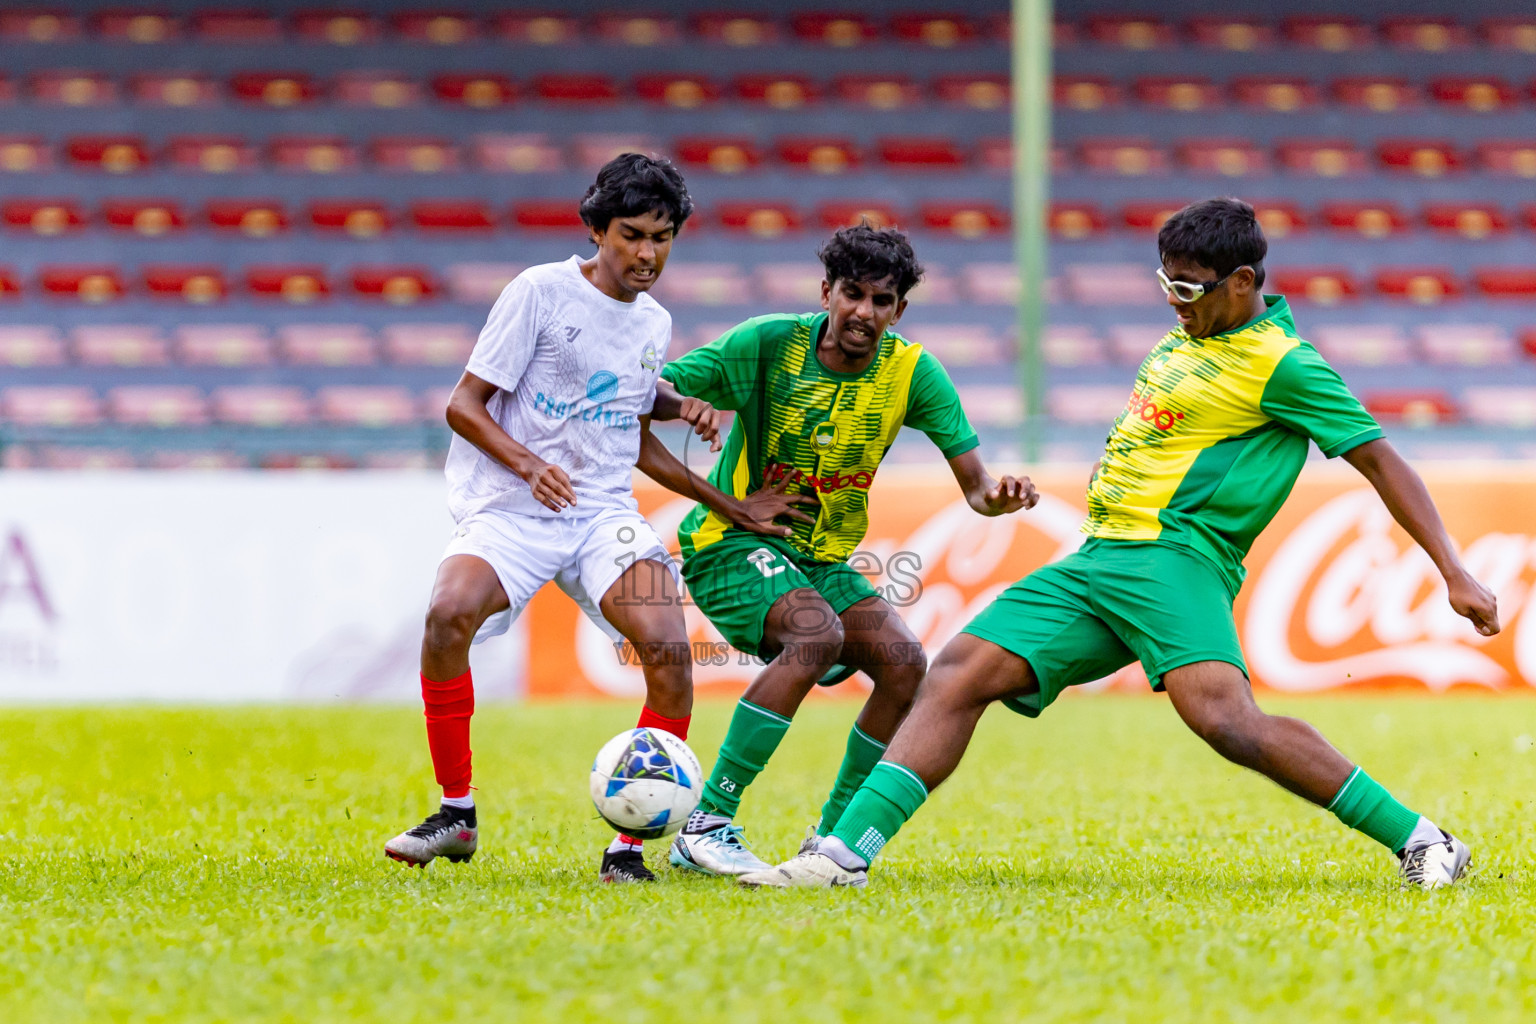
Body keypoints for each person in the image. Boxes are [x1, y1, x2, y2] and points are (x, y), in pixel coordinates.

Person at [740, 197, 1501, 891]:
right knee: (960, 672)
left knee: (1228, 723)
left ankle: (1424, 840)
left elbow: (1379, 456)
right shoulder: (1186, 339)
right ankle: (842, 856)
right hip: (1099, 556)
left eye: (1191, 287)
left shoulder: (1285, 364)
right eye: (1166, 282)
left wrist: (1453, 570)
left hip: (1174, 560)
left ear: (1242, 281)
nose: (1175, 300)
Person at [636, 223, 1038, 877]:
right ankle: (707, 823)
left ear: (899, 310)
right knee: (815, 635)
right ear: (826, 291)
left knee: (907, 664)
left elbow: (978, 491)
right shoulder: (768, 345)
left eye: (883, 301)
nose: (864, 312)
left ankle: (832, 837)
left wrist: (1003, 495)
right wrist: (713, 468)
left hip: (819, 560)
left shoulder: (911, 372)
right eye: (852, 293)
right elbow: (640, 399)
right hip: (730, 541)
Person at [382, 153, 737, 883]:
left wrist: (681, 412)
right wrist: (527, 463)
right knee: (448, 615)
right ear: (597, 230)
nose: (647, 254)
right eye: (632, 235)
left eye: (662, 238)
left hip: (601, 512)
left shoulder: (655, 321)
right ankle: (456, 814)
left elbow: (627, 414)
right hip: (515, 507)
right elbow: (463, 405)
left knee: (669, 649)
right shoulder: (538, 292)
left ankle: (628, 849)